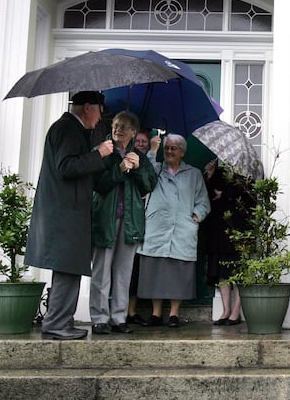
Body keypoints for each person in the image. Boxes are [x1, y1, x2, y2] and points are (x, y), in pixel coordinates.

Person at [25, 91, 113, 340]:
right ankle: (55, 324)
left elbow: (79, 167)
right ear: (88, 107)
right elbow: (66, 167)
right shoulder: (66, 129)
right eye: (100, 110)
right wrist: (99, 154)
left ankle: (61, 321)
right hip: (64, 214)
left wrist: (103, 158)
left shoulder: (73, 130)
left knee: (70, 268)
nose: (101, 116)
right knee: (66, 267)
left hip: (69, 213)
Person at [89, 112, 157, 335]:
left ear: (134, 132)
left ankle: (119, 317)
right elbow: (97, 184)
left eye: (124, 127)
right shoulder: (103, 153)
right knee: (102, 270)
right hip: (105, 219)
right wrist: (118, 170)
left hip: (130, 222)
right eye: (116, 125)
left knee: (123, 272)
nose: (118, 129)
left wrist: (137, 170)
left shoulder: (140, 157)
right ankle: (99, 318)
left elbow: (149, 185)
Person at [137, 134, 210, 328]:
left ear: (182, 152)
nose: (169, 151)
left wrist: (197, 215)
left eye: (173, 148)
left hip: (182, 229)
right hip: (157, 228)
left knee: (178, 272)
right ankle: (155, 313)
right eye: (167, 148)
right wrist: (152, 152)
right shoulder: (157, 169)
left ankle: (174, 314)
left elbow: (203, 200)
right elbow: (145, 178)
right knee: (156, 270)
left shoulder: (194, 174)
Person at [201, 159, 256, 325]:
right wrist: (209, 176)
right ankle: (225, 310)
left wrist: (224, 195)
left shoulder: (247, 173)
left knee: (237, 270)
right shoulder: (218, 172)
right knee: (222, 270)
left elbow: (249, 200)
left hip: (239, 227)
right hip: (219, 227)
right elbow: (209, 197)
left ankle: (236, 311)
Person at [126, 128, 152, 326]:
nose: (141, 144)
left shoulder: (147, 164)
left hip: (142, 223)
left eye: (145, 141)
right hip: (125, 218)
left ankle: (131, 310)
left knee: (134, 270)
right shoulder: (123, 157)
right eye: (139, 141)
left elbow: (149, 184)